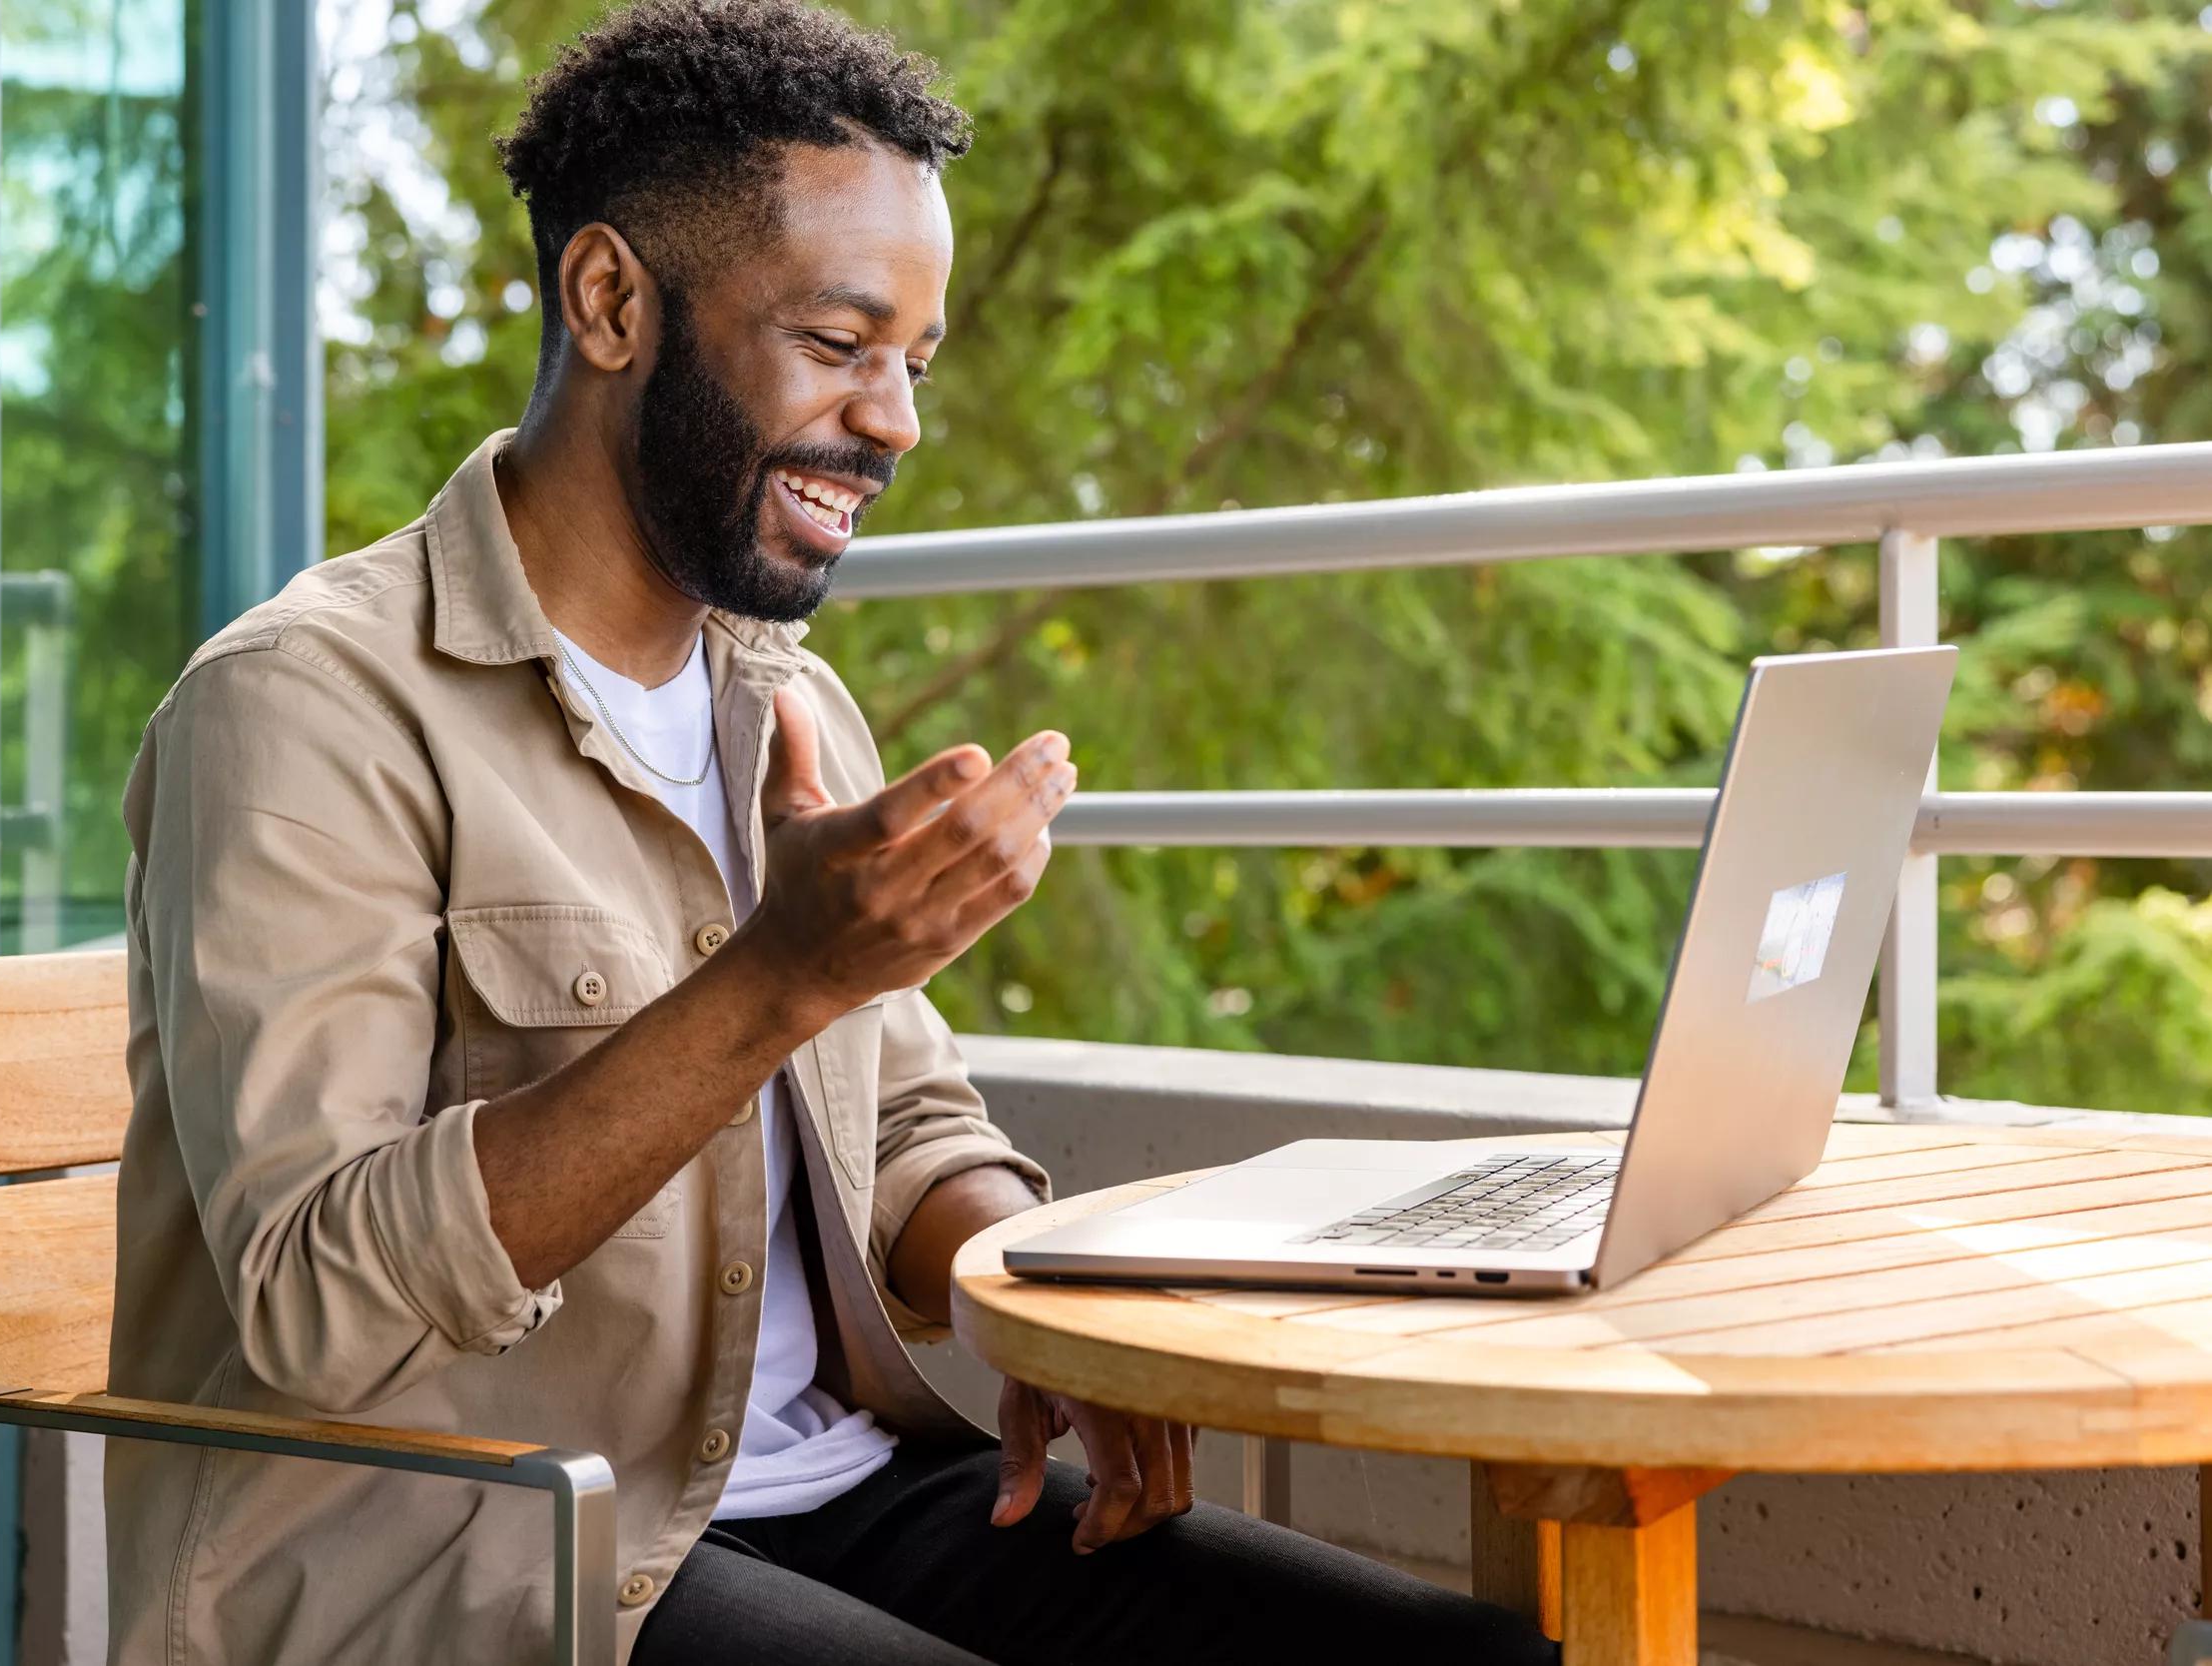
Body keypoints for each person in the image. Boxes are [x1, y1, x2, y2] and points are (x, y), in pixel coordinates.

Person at [105, 3, 1558, 1662]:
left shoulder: (779, 697)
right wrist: (781, 976)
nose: (897, 423)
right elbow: (314, 1299)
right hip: (479, 1546)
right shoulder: (307, 707)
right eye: (840, 343)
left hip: (841, 1490)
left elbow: (899, 1123)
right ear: (611, 302)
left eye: (916, 364)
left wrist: (1041, 1308)